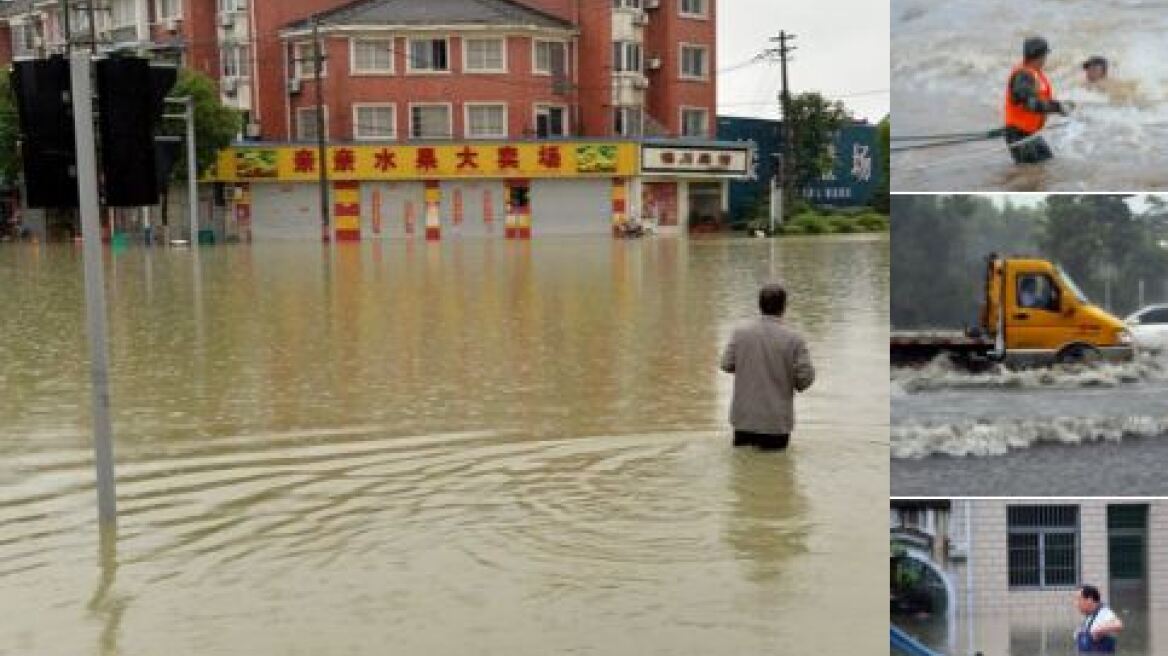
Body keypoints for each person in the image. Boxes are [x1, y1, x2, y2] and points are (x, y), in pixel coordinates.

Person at [719, 283, 815, 450]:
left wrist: (747, 365)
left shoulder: (740, 333)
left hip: (744, 420)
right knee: (777, 469)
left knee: (743, 470)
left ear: (759, 305)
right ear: (784, 307)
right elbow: (805, 380)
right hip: (776, 423)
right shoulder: (794, 339)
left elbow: (726, 365)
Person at [1003, 36, 1072, 164]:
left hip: (1029, 132)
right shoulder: (1023, 76)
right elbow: (1030, 104)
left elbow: (1039, 99)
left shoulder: (1033, 73)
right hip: (1019, 133)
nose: (1046, 59)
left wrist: (1059, 106)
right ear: (1039, 56)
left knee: (1047, 163)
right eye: (1045, 55)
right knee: (1031, 173)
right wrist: (1058, 107)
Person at [1074, 585, 1123, 653]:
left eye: (1079, 599)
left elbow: (1118, 625)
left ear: (1089, 600)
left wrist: (1099, 630)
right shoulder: (1089, 617)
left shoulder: (1103, 612)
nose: (1076, 604)